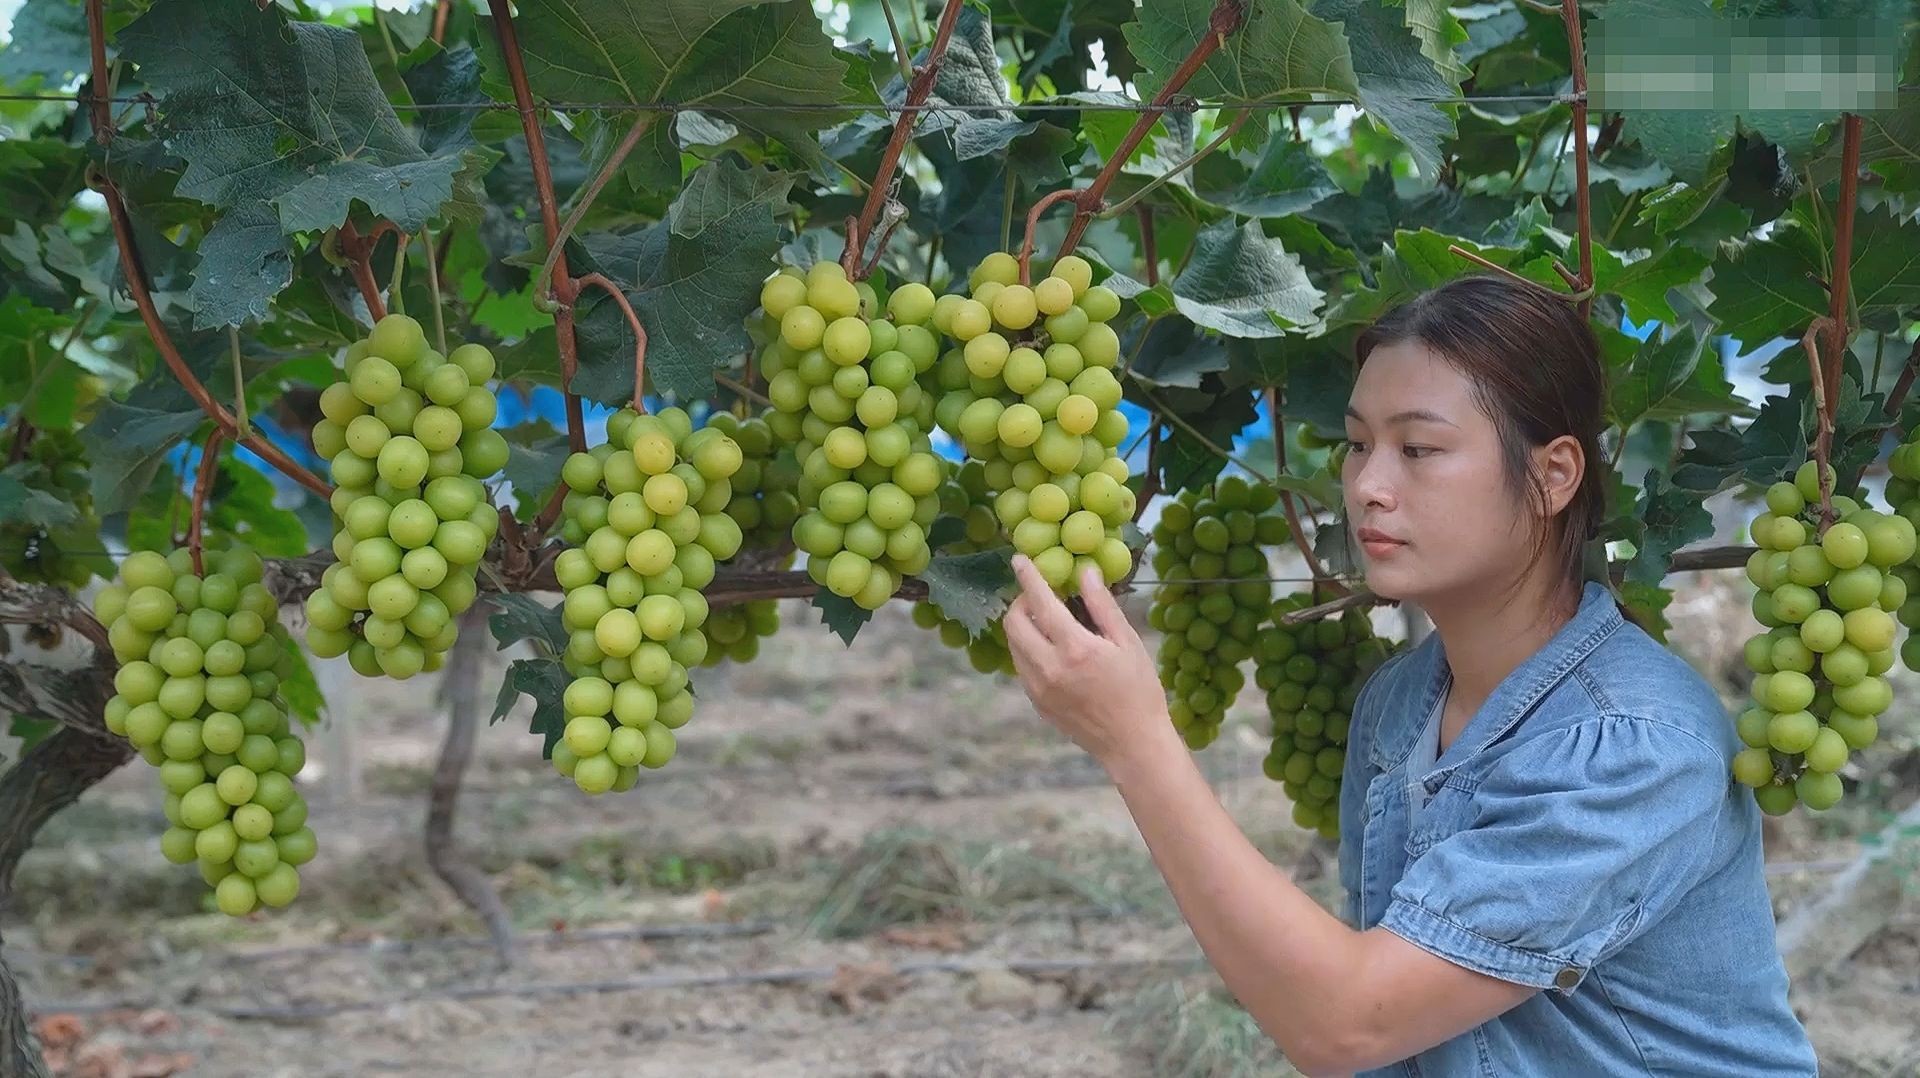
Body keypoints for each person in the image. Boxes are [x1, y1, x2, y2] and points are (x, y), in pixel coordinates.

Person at [1000, 274, 1819, 1076]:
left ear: (1554, 476)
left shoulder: (1633, 746)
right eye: (1358, 445)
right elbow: (1389, 1043)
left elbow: (1348, 1025)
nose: (1368, 487)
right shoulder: (1398, 704)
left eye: (1418, 449)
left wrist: (1139, 745)